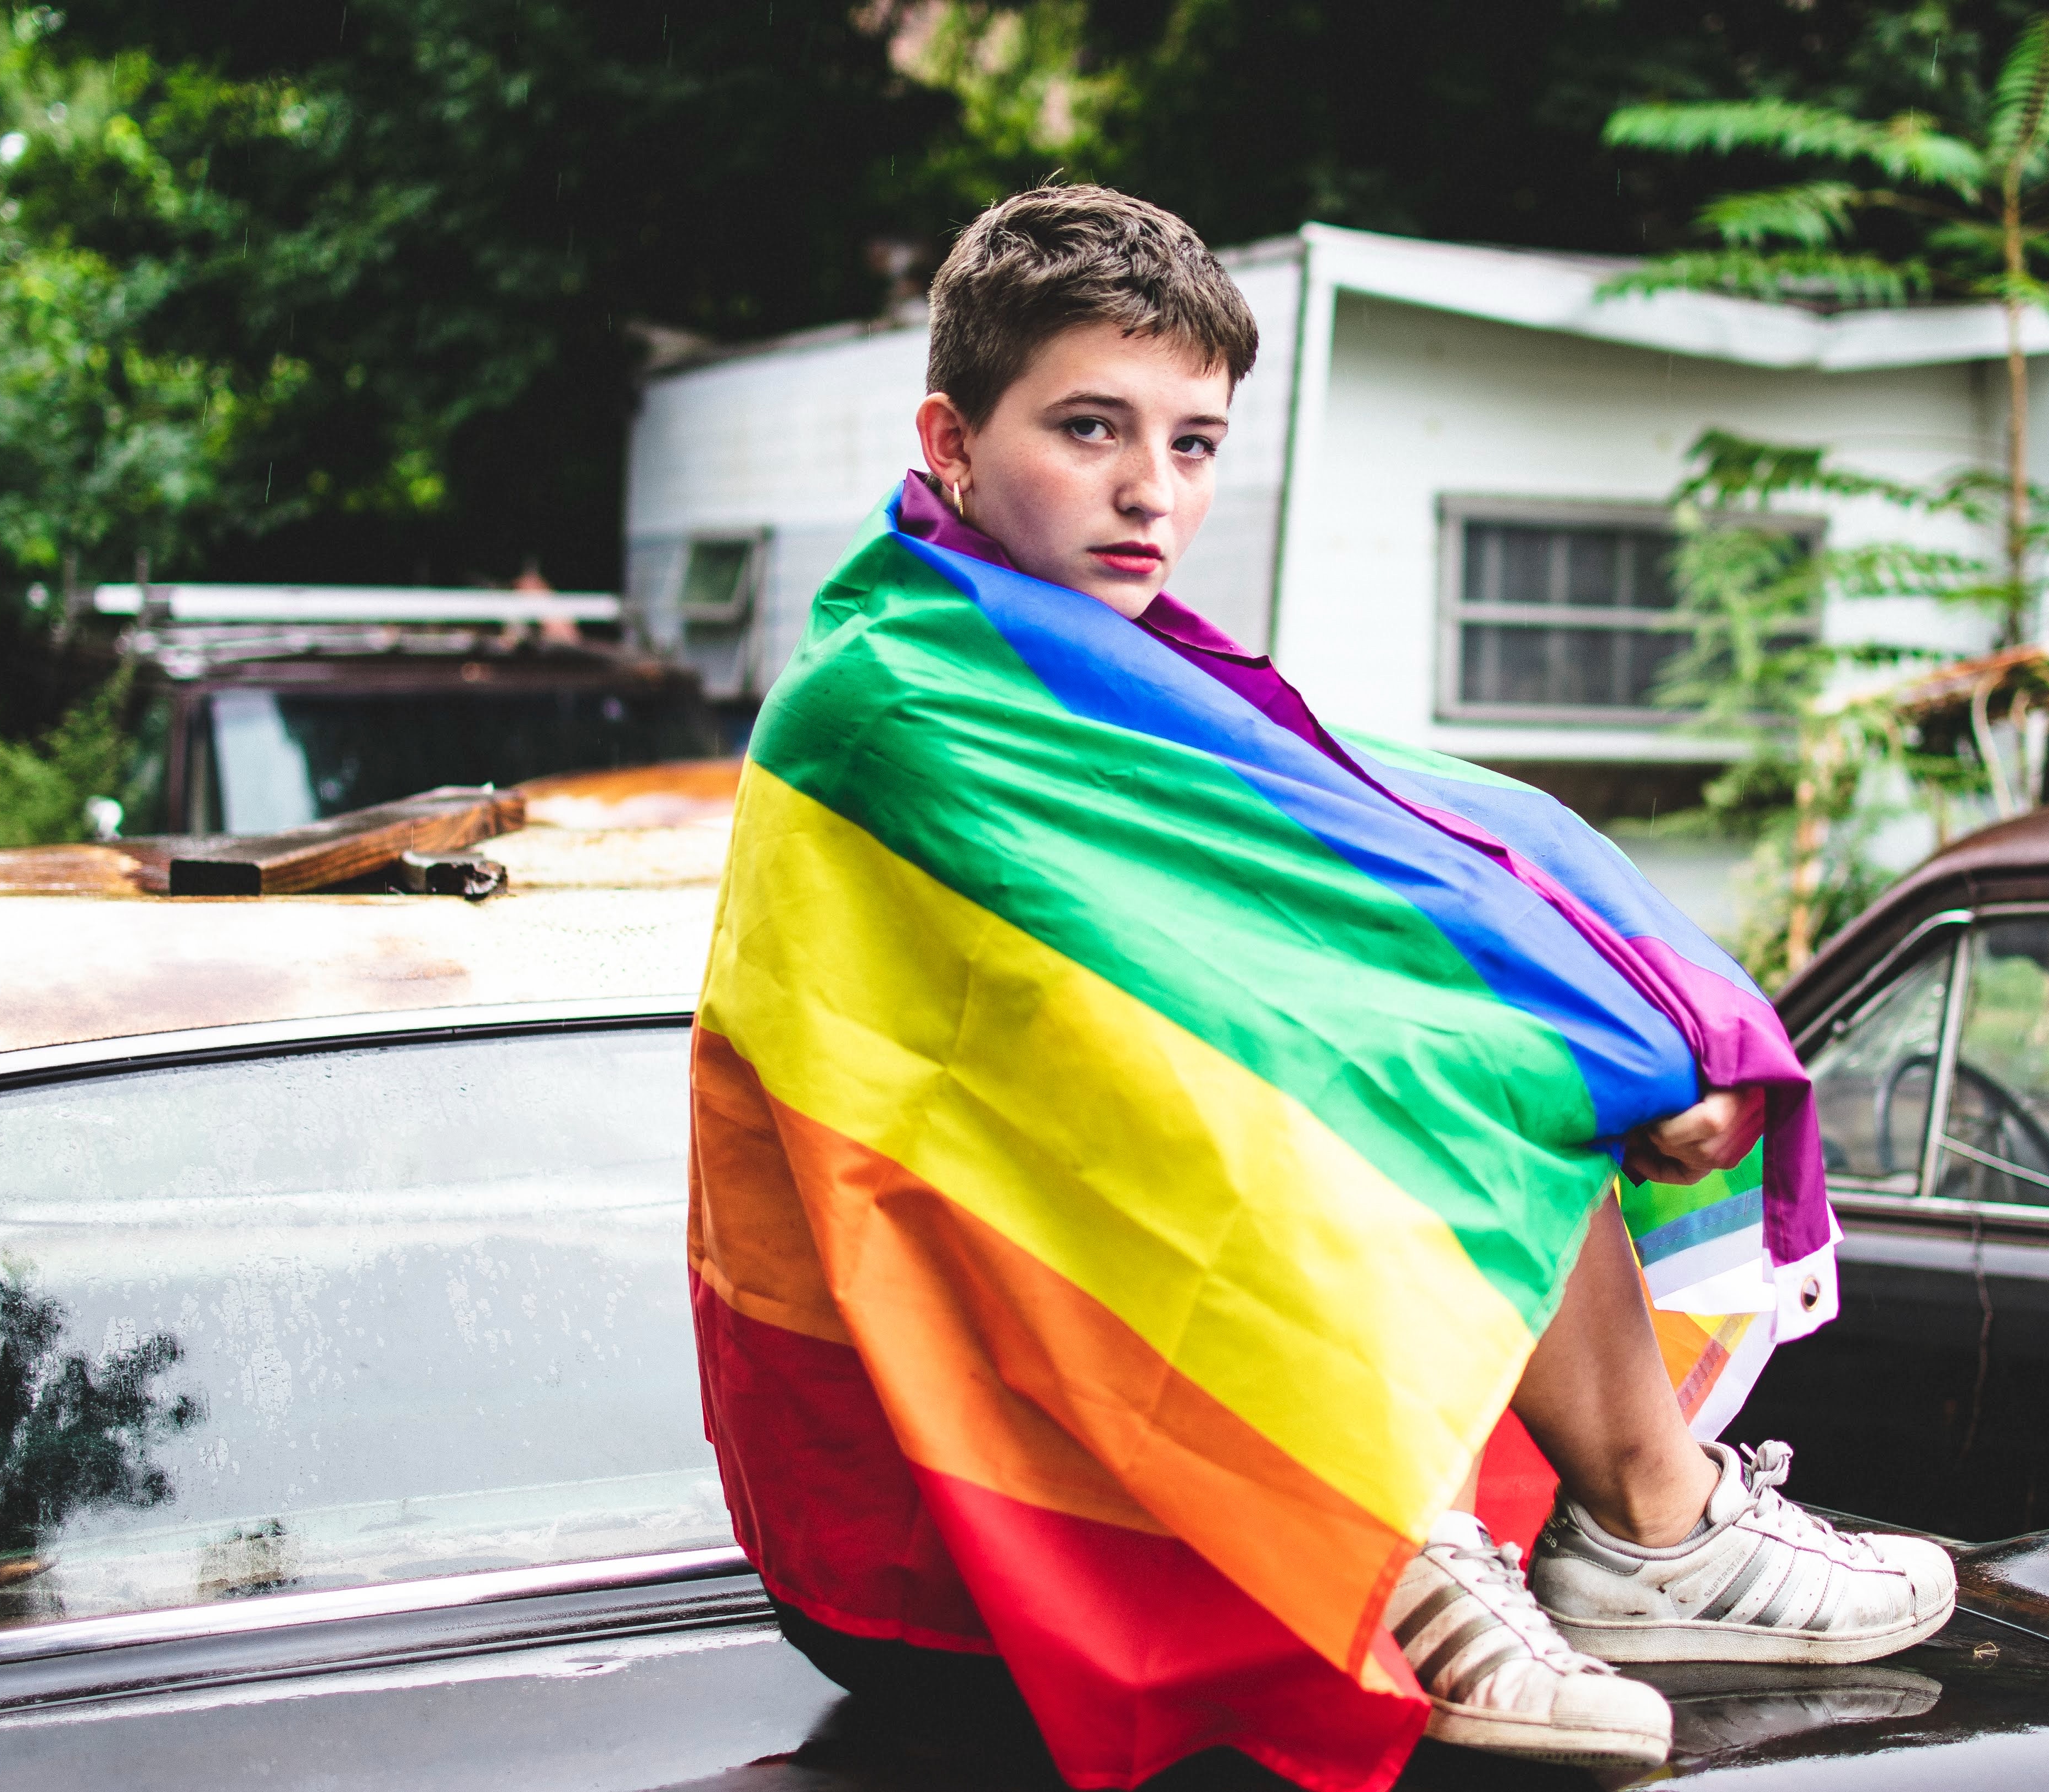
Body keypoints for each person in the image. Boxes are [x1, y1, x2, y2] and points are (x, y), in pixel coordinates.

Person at [691, 185, 1953, 1788]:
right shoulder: (884, 701)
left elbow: (1420, 844)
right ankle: (1379, 1540)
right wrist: (1593, 1060)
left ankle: (1650, 1527)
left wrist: (1643, 1034)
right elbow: (1192, 1022)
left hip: (1106, 1430)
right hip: (926, 1544)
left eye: (1196, 443)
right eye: (1091, 429)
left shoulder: (1112, 669)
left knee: (1493, 1053)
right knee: (1303, 1075)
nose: (1151, 491)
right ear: (949, 439)